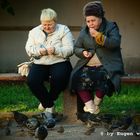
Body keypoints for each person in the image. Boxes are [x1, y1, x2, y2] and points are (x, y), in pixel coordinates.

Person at [69, 1, 124, 117]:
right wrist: (83, 52)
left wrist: (100, 36)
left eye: (93, 20)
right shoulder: (84, 31)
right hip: (88, 64)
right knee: (76, 77)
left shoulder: (111, 26)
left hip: (107, 63)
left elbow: (115, 42)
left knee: (104, 76)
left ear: (100, 18)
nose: (90, 24)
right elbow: (76, 47)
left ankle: (96, 103)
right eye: (88, 21)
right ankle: (91, 107)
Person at [25, 8, 74, 128]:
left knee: (60, 77)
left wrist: (56, 50)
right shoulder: (34, 32)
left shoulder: (63, 29)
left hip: (59, 61)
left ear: (55, 21)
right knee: (32, 81)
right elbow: (29, 49)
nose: (47, 27)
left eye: (50, 24)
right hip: (40, 61)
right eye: (44, 24)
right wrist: (39, 51)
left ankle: (46, 102)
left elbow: (70, 49)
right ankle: (49, 105)